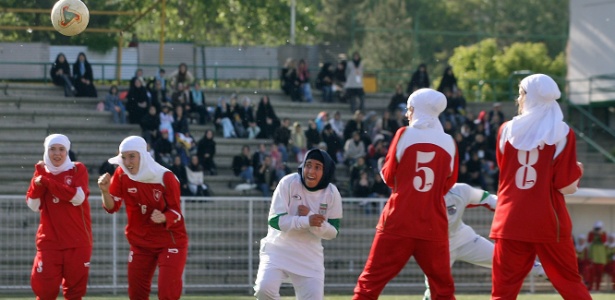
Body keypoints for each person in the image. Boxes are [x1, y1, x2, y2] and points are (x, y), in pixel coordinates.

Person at [489, 74, 591, 299]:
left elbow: (505, 170)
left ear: (528, 96)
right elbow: (565, 186)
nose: (518, 98)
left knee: (503, 292)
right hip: (548, 219)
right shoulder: (563, 133)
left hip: (510, 219)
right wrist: (578, 170)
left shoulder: (506, 129)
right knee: (569, 283)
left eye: (521, 93)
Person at [354, 88, 458, 300]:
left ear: (418, 109)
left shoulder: (404, 134)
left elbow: (389, 177)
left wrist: (385, 167)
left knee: (369, 284)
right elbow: (448, 184)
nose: (407, 114)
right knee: (443, 290)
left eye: (410, 109)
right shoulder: (449, 142)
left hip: (398, 220)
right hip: (433, 223)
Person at [97, 136, 188, 300]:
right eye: (123, 157)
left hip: (170, 241)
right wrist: (105, 191)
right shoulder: (121, 174)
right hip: (140, 243)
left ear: (143, 155)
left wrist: (164, 216)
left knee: (168, 293)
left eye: (132, 156)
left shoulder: (165, 177)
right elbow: (111, 208)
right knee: (136, 295)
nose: (127, 162)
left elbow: (176, 213)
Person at [422, 183, 544, 300]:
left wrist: (512, 210)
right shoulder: (417, 199)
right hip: (436, 249)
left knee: (506, 260)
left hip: (464, 239)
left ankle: (546, 272)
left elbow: (488, 198)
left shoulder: (460, 190)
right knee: (435, 291)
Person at [254, 149, 342, 300]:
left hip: (309, 256)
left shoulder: (332, 192)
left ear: (326, 170)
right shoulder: (288, 182)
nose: (311, 171)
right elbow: (274, 220)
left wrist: (313, 222)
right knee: (264, 290)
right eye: (308, 165)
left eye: (317, 167)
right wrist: (306, 221)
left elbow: (334, 232)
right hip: (278, 249)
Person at [26, 134, 92, 299]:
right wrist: (38, 181)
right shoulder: (41, 174)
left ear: (67, 151)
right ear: (46, 151)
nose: (57, 153)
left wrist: (48, 182)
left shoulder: (77, 169)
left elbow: (78, 198)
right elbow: (33, 205)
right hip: (49, 243)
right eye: (52, 149)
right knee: (45, 292)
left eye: (61, 149)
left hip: (77, 242)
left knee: (74, 294)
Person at [588, 220, 608, 291]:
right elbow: (589, 241)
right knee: (592, 274)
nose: (597, 230)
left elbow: (604, 241)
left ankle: (597, 288)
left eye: (599, 228)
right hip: (593, 256)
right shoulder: (591, 233)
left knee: (599, 273)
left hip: (601, 257)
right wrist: (594, 233)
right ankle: (590, 287)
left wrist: (600, 234)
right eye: (597, 228)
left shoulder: (603, 234)